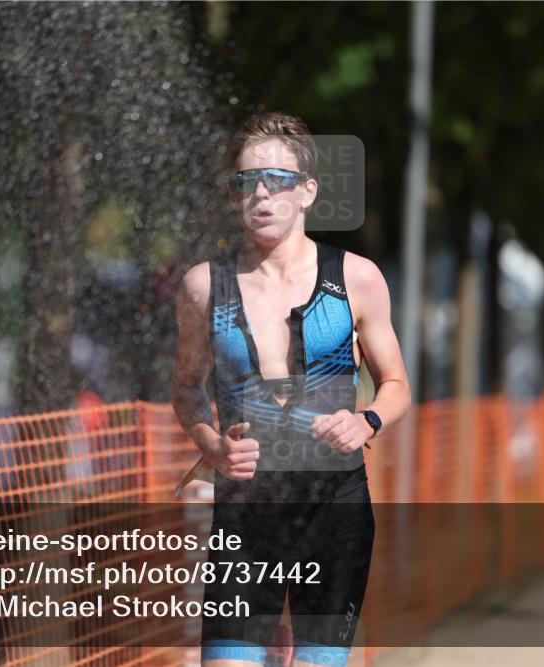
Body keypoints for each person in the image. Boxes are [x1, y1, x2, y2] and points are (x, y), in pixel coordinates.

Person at [171, 112, 410, 666]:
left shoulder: (357, 278)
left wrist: (367, 419)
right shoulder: (203, 287)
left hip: (335, 510)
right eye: (244, 183)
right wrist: (210, 444)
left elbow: (396, 384)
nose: (259, 194)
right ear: (232, 198)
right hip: (247, 515)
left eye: (275, 180)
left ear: (307, 192)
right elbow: (185, 388)